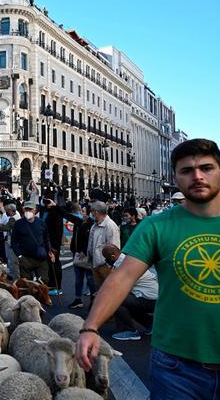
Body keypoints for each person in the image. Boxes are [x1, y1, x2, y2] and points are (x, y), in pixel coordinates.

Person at [76, 138, 220, 400]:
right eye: (186, 171)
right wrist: (91, 327)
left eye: (207, 168)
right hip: (177, 369)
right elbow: (123, 277)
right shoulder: (156, 226)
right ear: (175, 177)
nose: (197, 176)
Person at [99, 244, 159, 341]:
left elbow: (116, 287)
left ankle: (129, 331)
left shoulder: (123, 265)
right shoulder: (127, 259)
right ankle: (150, 324)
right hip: (153, 298)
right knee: (127, 302)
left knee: (115, 300)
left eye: (106, 258)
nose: (105, 261)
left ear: (113, 256)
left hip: (151, 300)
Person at [64, 204, 96, 309]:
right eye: (81, 211)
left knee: (90, 278)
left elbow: (90, 240)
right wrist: (55, 206)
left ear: (89, 212)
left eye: (83, 211)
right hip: (77, 253)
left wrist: (84, 251)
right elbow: (66, 215)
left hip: (87, 255)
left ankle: (94, 299)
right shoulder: (79, 222)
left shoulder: (92, 224)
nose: (81, 213)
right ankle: (78, 299)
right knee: (78, 279)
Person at [11, 201, 52, 281]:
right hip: (25, 258)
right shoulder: (18, 224)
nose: (28, 211)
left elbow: (46, 238)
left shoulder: (41, 223)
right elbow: (14, 241)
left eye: (30, 209)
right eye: (26, 209)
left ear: (35, 211)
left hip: (40, 257)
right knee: (26, 283)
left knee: (43, 281)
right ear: (23, 210)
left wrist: (49, 251)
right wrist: (19, 255)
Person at [86, 201, 120, 288]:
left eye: (92, 211)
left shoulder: (110, 226)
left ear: (96, 212)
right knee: (99, 290)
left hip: (106, 266)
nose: (91, 214)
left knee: (109, 290)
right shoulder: (94, 225)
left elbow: (114, 247)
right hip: (95, 264)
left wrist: (109, 265)